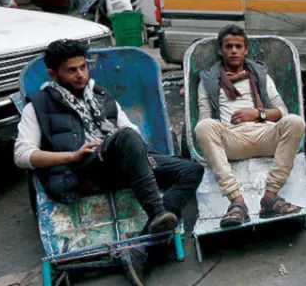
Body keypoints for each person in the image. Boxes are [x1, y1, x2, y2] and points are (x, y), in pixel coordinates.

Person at [14, 39, 204, 285]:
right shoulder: (39, 105)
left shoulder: (101, 95)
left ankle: (139, 249)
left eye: (83, 67)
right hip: (81, 169)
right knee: (125, 137)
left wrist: (142, 157)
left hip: (120, 162)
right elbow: (22, 155)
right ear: (53, 74)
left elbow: (131, 131)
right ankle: (157, 214)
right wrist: (71, 156)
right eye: (71, 70)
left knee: (191, 169)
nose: (80, 75)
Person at [194, 25, 306, 228]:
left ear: (246, 50)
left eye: (238, 46)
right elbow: (204, 117)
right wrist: (218, 128)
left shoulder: (259, 75)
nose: (234, 51)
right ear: (220, 50)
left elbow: (282, 111)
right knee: (203, 127)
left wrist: (257, 113)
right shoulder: (208, 81)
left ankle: (270, 197)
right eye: (229, 46)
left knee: (295, 121)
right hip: (232, 138)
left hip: (264, 134)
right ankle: (237, 202)